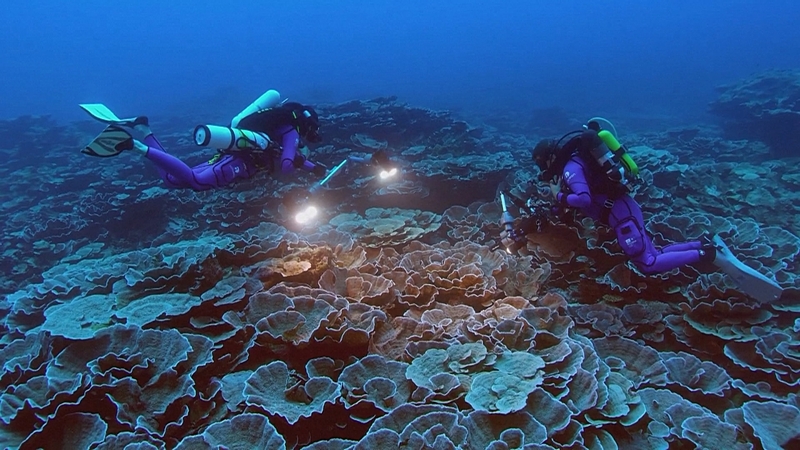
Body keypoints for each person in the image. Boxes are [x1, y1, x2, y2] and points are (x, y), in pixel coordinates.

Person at [499, 119, 784, 303]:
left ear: (548, 158)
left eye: (542, 165)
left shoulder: (572, 169)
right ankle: (705, 243)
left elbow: (584, 200)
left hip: (621, 215)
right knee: (654, 252)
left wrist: (560, 196)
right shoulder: (576, 164)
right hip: (623, 210)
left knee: (647, 263)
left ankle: (708, 254)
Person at [79, 97, 327, 191]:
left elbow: (290, 157)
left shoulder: (275, 125)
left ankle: (144, 130)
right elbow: (285, 163)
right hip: (239, 163)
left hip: (230, 154)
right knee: (196, 182)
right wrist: (292, 166)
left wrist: (312, 168)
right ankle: (136, 146)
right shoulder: (291, 133)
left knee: (172, 180)